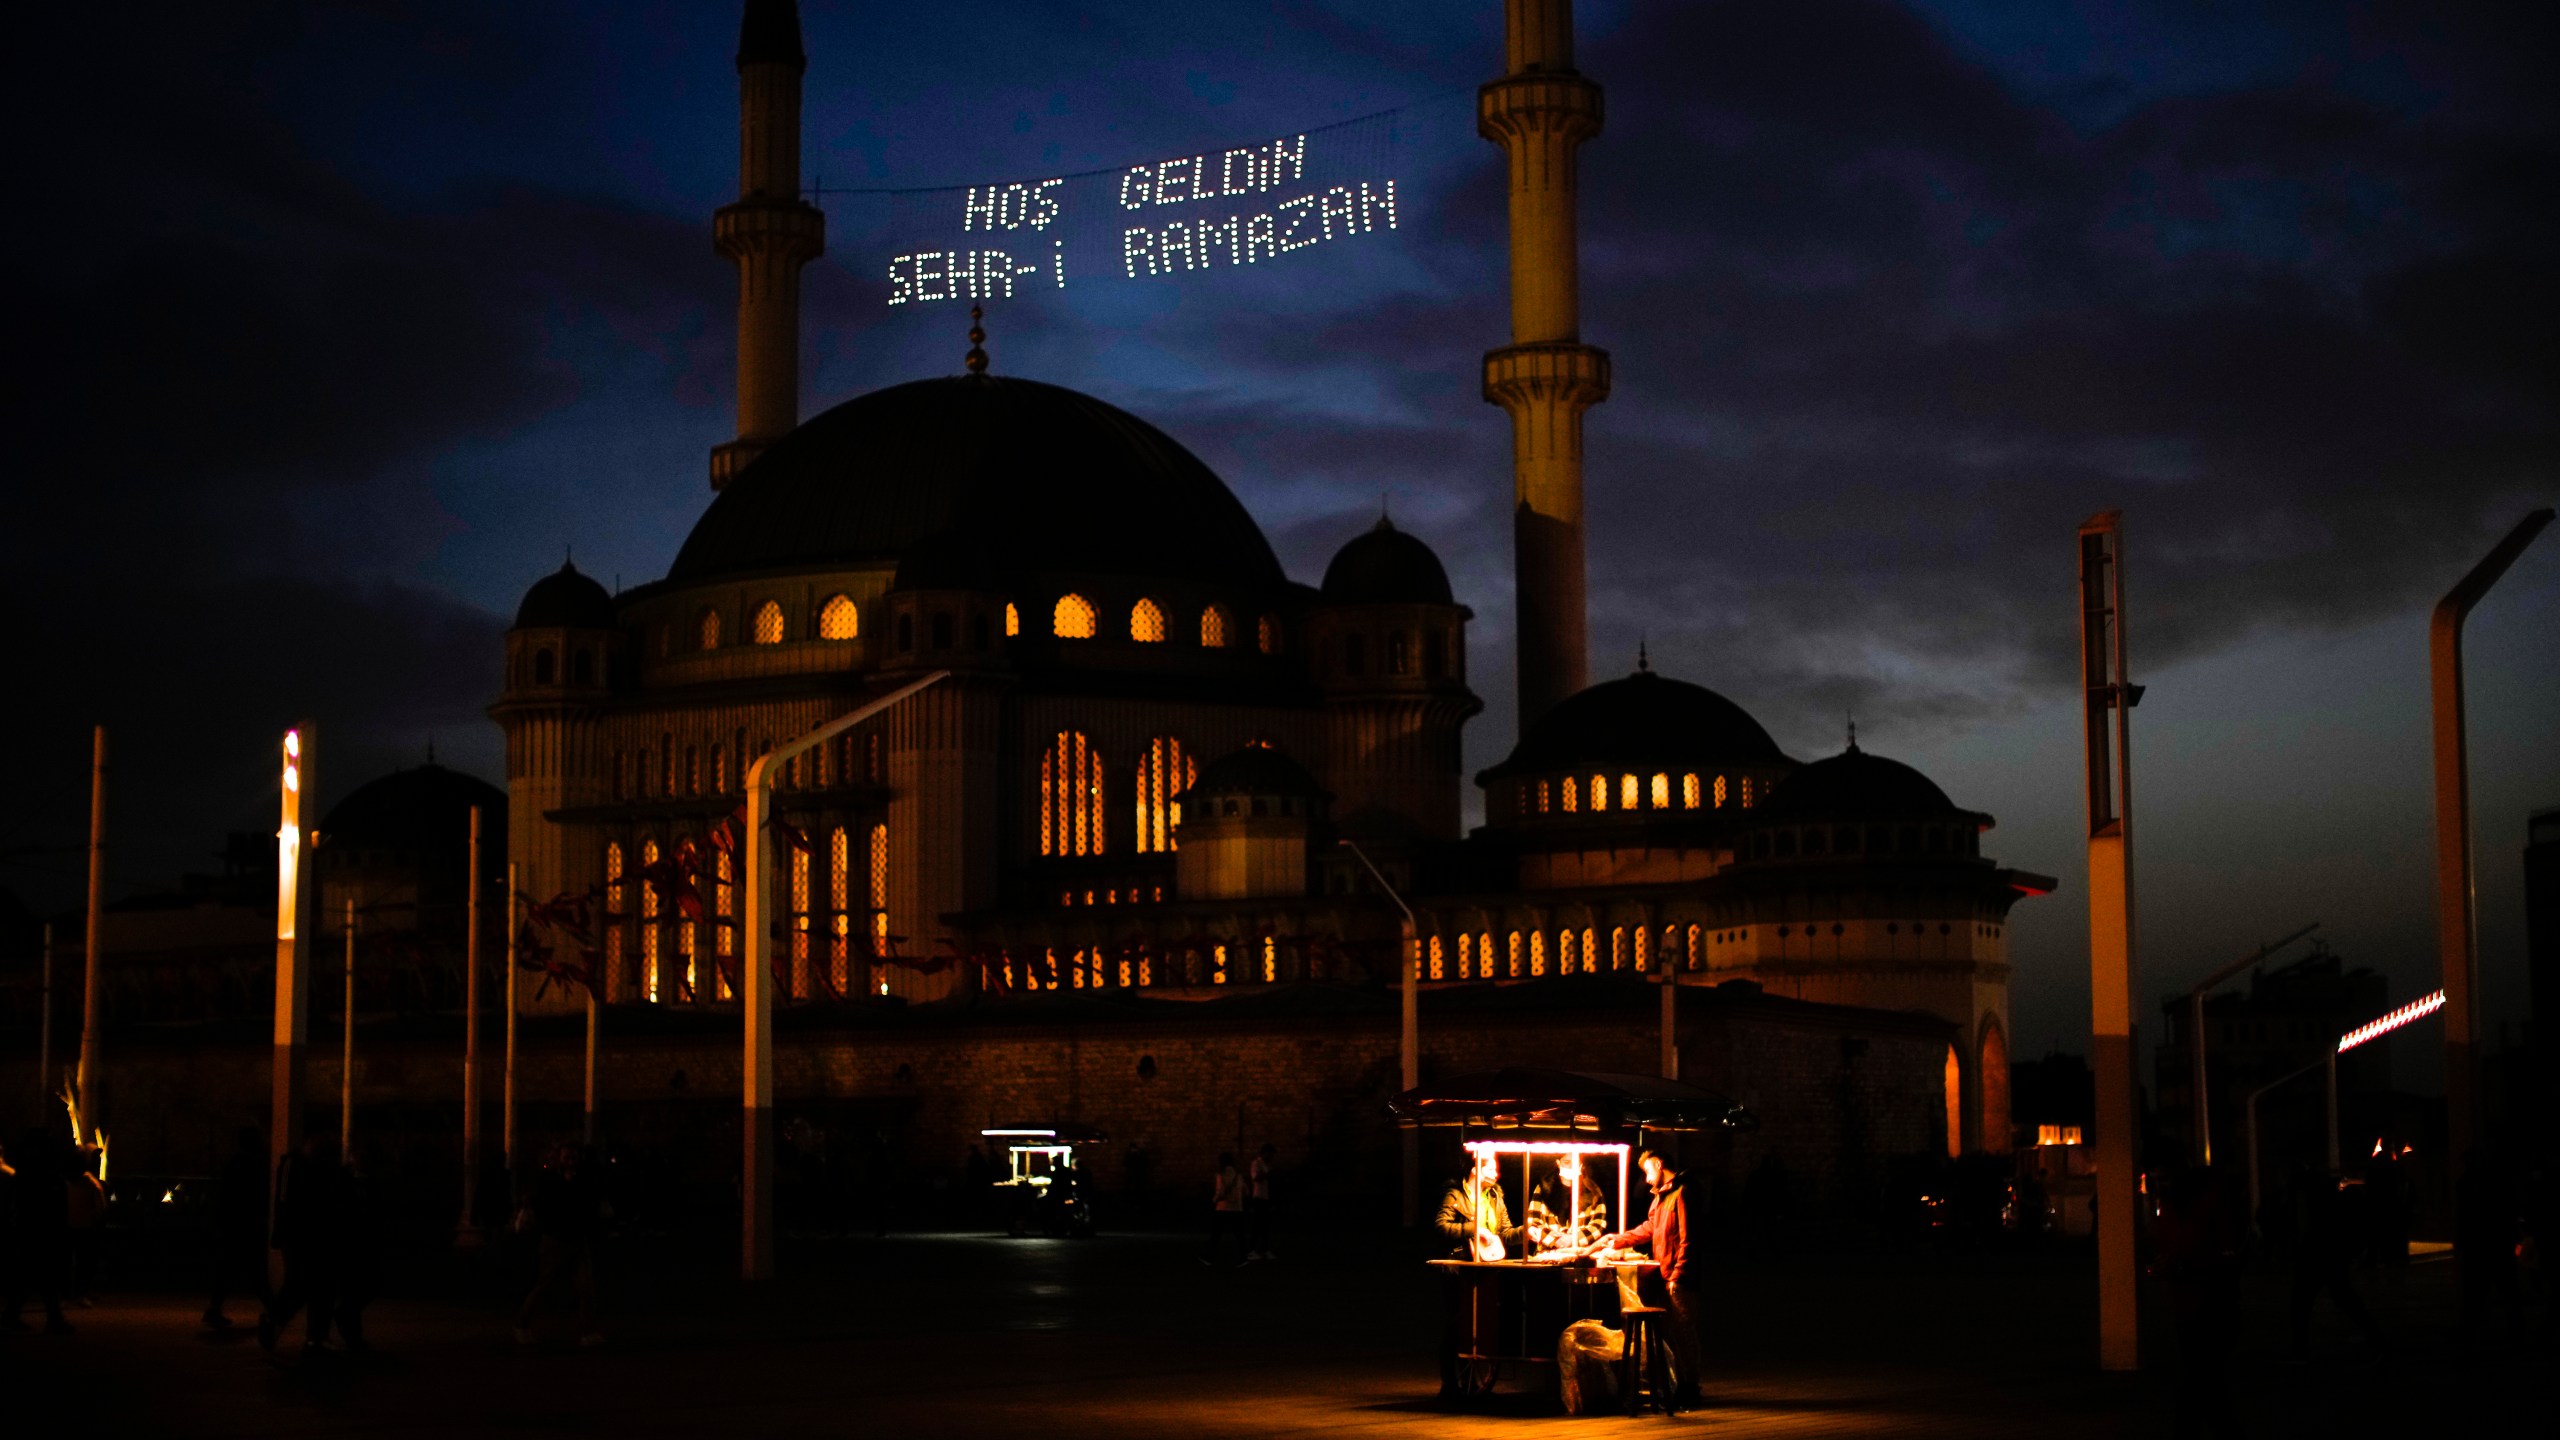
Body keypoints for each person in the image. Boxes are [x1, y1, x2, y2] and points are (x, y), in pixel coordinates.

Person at [1592, 1148, 1703, 1412]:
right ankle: (1675, 1385)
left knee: (1685, 1332)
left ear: (1658, 1163)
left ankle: (1690, 1388)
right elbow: (1650, 1228)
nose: (1646, 1178)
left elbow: (1688, 1239)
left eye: (1647, 1171)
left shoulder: (1681, 1193)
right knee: (1671, 1333)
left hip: (1679, 1279)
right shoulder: (1661, 1197)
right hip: (1665, 1275)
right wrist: (1618, 1239)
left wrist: (1678, 1273)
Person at [2151, 1165, 2244, 1438]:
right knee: (2206, 1378)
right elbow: (2224, 1252)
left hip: (2189, 1302)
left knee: (2201, 1377)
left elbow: (2173, 1249)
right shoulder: (2214, 1207)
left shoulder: (2173, 1211)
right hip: (2213, 1298)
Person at [1433, 1150, 1522, 1401]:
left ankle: (1474, 1375)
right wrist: (1474, 1228)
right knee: (1456, 1322)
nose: (1496, 1174)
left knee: (1484, 1318)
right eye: (1491, 1168)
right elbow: (1441, 1225)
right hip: (1459, 1268)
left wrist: (1526, 1232)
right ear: (1475, 1170)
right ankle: (1449, 1383)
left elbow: (1504, 1232)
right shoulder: (1456, 1195)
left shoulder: (1495, 1196)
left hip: (1487, 1266)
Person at [515, 1143, 606, 1348]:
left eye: (573, 1158)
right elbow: (551, 1207)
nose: (570, 1162)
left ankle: (588, 1332)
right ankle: (521, 1325)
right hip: (556, 1239)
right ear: (558, 1160)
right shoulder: (550, 1180)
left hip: (576, 1239)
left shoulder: (582, 1179)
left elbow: (587, 1204)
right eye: (567, 1158)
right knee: (544, 1285)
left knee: (585, 1287)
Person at [260, 1135, 344, 1355]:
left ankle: (314, 1335)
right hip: (301, 1235)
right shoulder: (296, 1165)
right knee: (302, 1283)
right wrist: (281, 1234)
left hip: (314, 1235)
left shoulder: (315, 1166)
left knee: (318, 1286)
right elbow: (285, 1200)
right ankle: (280, 1322)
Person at [2, 1130, 74, 1334]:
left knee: (31, 1275)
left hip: (31, 1229)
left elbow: (12, 1203)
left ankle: (15, 1316)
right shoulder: (43, 1175)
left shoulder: (27, 1173)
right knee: (41, 1275)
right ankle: (50, 1319)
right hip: (39, 1230)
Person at [204, 1126, 268, 1329]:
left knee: (229, 1270)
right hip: (246, 1225)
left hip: (234, 1225)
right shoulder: (253, 1165)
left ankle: (214, 1309)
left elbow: (225, 1197)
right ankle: (276, 1311)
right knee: (254, 1271)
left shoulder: (234, 1164)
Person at [64, 1144, 106, 1306]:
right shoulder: (90, 1182)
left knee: (74, 1262)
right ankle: (78, 1292)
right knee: (84, 1262)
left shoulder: (65, 1181)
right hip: (83, 1227)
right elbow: (100, 1206)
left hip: (70, 1226)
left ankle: (72, 1293)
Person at [1202, 1153, 1247, 1267]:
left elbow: (1220, 1192)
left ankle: (1209, 1257)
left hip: (1223, 1208)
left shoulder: (1220, 1175)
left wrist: (1214, 1200)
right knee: (1239, 1235)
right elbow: (1246, 1191)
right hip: (1237, 1209)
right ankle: (1243, 1258)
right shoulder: (1238, 1175)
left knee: (1216, 1235)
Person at [1245, 1144, 1278, 1261]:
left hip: (1266, 1198)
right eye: (1271, 1154)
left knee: (1265, 1226)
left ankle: (1264, 1250)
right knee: (1257, 1226)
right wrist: (1268, 1173)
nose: (1273, 1156)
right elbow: (1256, 1178)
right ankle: (1251, 1250)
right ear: (1265, 1153)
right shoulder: (1256, 1163)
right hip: (1259, 1198)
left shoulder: (1265, 1164)